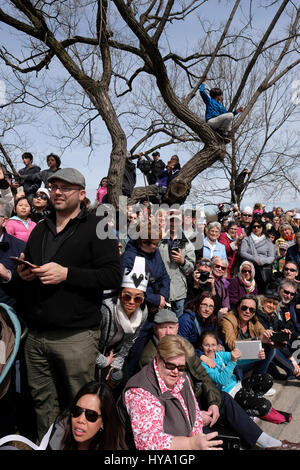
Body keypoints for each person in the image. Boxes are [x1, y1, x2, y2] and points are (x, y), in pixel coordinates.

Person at [14, 167, 122, 441]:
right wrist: (24, 275)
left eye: (65, 188)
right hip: (37, 337)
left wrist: (67, 274)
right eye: (53, 187)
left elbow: (113, 275)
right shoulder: (40, 229)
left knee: (81, 410)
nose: (57, 192)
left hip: (75, 337)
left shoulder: (100, 226)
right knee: (43, 408)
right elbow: (35, 275)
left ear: (82, 194)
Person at [137, 312, 298, 451]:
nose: (167, 332)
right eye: (162, 327)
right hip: (179, 410)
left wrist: (213, 402)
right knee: (211, 439)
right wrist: (196, 415)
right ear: (154, 328)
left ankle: (269, 442)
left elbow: (203, 376)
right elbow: (164, 401)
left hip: (196, 396)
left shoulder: (182, 344)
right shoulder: (150, 358)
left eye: (171, 326)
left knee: (223, 398)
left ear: (177, 327)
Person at [123, 334, 223, 450]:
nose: (176, 372)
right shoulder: (140, 391)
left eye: (181, 367)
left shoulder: (183, 378)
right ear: (158, 358)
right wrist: (190, 444)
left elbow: (194, 413)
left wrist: (197, 439)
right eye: (170, 365)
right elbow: (147, 441)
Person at [96, 256, 148, 392]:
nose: (132, 301)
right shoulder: (107, 310)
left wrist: (116, 365)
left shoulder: (143, 312)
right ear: (119, 294)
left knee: (119, 382)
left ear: (142, 300)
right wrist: (103, 362)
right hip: (96, 352)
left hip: (116, 352)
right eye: (127, 296)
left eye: (137, 298)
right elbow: (88, 341)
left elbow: (129, 342)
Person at [198, 331, 276, 420]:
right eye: (207, 345)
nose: (211, 348)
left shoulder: (220, 355)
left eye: (213, 345)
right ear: (201, 346)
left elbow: (239, 359)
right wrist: (232, 362)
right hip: (229, 395)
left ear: (217, 345)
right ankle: (242, 410)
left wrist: (257, 357)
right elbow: (221, 380)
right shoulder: (203, 365)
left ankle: (249, 401)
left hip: (238, 385)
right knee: (265, 406)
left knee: (267, 379)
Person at [47, 381, 126, 450]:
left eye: (91, 415)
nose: (80, 420)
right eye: (77, 411)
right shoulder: (58, 437)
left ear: (103, 422)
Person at [219, 295, 275, 378]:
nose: (248, 311)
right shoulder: (228, 320)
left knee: (270, 349)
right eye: (244, 308)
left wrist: (279, 340)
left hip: (248, 358)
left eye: (251, 310)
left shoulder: (253, 321)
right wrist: (256, 339)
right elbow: (231, 344)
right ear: (238, 307)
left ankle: (257, 382)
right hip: (233, 360)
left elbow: (264, 335)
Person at [256, 290, 300, 381]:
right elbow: (270, 339)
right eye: (268, 302)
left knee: (282, 338)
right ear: (262, 301)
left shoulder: (273, 317)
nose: (271, 305)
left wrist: (284, 333)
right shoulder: (258, 316)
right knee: (272, 347)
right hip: (257, 347)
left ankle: (292, 371)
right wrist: (293, 362)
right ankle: (294, 371)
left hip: (268, 347)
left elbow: (282, 337)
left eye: (274, 304)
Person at [159, 213, 195, 318]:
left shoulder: (187, 244)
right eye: (171, 220)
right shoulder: (159, 241)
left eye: (177, 221)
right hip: (161, 289)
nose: (174, 224)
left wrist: (182, 261)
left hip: (179, 291)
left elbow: (191, 268)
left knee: (177, 323)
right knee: (161, 321)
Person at [240, 217, 276, 293]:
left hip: (263, 270)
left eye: (259, 226)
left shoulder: (268, 241)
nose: (256, 228)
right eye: (254, 226)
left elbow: (272, 257)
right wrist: (255, 259)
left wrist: (262, 261)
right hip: (249, 268)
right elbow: (243, 252)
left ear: (262, 228)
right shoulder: (246, 239)